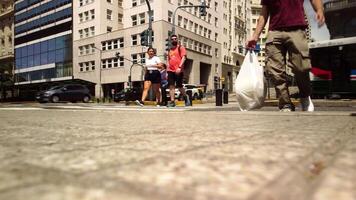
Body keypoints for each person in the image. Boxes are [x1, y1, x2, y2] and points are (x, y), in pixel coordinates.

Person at [246, 0, 325, 112]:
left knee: (301, 67)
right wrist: (255, 36)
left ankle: (304, 96)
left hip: (296, 28)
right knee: (274, 70)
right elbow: (264, 13)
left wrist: (319, 10)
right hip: (275, 31)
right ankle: (285, 103)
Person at [166, 34, 191, 107]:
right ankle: (172, 101)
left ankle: (186, 97)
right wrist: (167, 70)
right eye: (172, 39)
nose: (174, 40)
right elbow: (168, 60)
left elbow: (184, 58)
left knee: (179, 86)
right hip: (170, 70)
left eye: (175, 39)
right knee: (171, 86)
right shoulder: (169, 50)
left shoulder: (181, 47)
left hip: (179, 70)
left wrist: (179, 67)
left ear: (177, 40)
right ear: (170, 40)